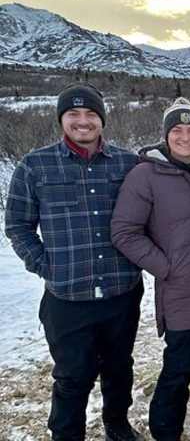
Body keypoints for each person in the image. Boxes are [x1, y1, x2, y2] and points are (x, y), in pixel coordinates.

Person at [4, 82, 145, 441]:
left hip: (121, 289)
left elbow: (149, 216)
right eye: (73, 114)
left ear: (103, 119)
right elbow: (17, 224)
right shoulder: (36, 166)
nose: (83, 121)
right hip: (67, 297)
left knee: (119, 367)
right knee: (72, 376)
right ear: (61, 119)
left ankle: (117, 424)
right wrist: (44, 264)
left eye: (91, 114)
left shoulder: (128, 163)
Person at [110, 98, 190, 441]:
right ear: (166, 135)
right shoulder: (145, 175)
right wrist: (166, 268)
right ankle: (166, 432)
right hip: (182, 290)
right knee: (178, 368)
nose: (185, 137)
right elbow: (124, 232)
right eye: (177, 130)